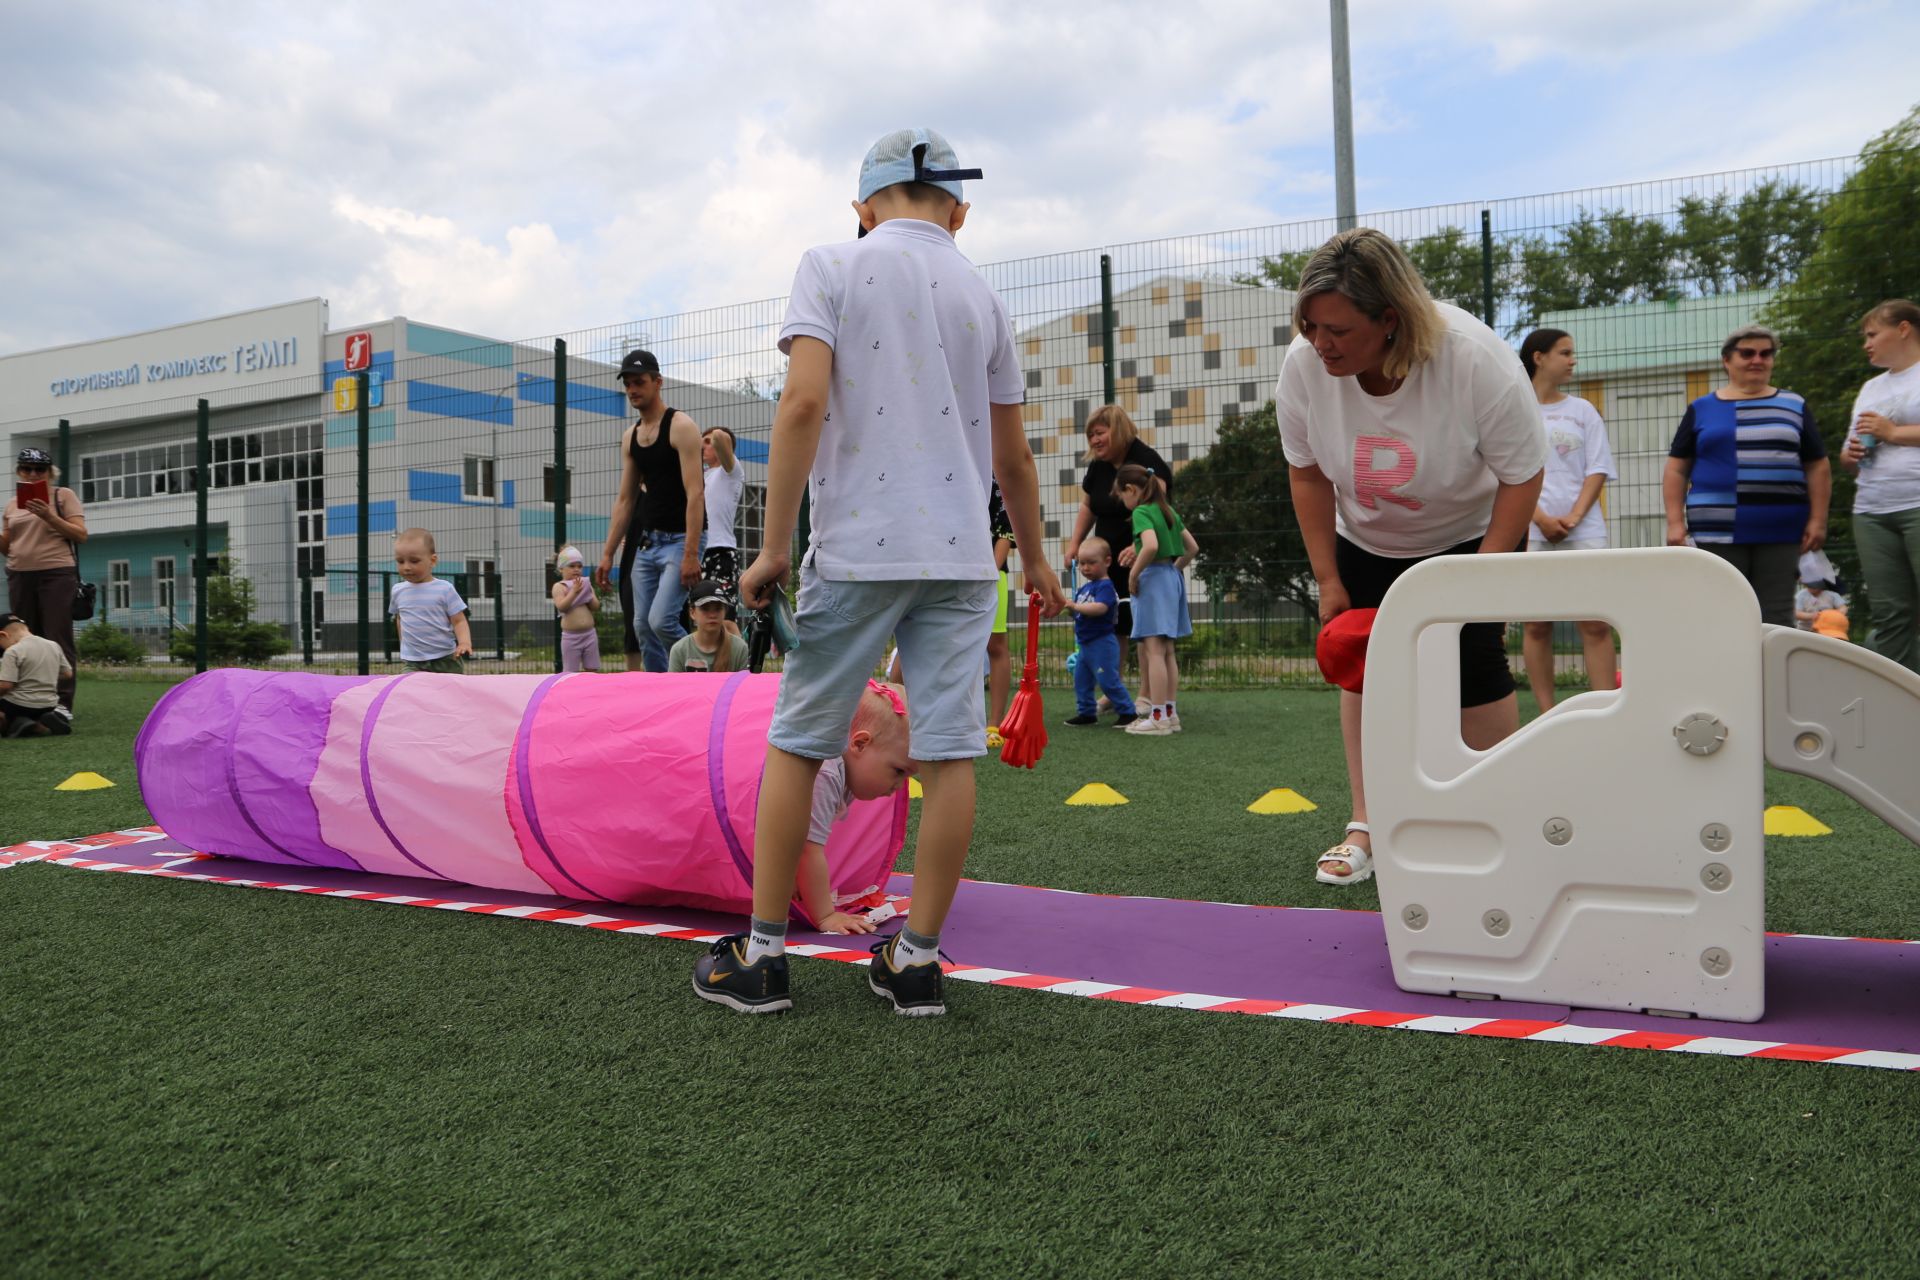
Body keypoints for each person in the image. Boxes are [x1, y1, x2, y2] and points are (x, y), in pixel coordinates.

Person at [693, 125, 1065, 1017]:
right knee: (947, 751)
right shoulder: (985, 298)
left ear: (863, 208)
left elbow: (804, 404)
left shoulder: (831, 264)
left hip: (859, 546)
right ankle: (918, 961)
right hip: (961, 557)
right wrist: (1039, 557)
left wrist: (774, 545)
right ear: (960, 212)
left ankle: (764, 956)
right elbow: (1013, 460)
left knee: (800, 740)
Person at [1277, 227, 1545, 886]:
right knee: (1362, 669)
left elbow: (1523, 474)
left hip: (1468, 533)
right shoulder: (1305, 367)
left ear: (1389, 320)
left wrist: (1481, 576)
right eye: (1309, 325)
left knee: (1474, 662)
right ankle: (1366, 824)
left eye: (1336, 329)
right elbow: (1306, 471)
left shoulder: (1473, 358)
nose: (1319, 342)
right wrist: (1328, 577)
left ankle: (1492, 822)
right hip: (1367, 537)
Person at [1663, 324, 1829, 628]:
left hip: (1781, 528)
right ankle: (1721, 676)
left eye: (1766, 354)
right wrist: (1675, 522)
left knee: (1777, 615)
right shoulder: (1701, 408)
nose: (1758, 360)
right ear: (1727, 360)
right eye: (1748, 353)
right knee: (1719, 613)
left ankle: (1774, 677)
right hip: (1715, 531)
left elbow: (1817, 465)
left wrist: (1818, 520)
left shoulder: (1793, 405)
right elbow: (1676, 467)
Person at [1516, 328, 1618, 709]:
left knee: (1594, 622)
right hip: (1531, 530)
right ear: (1539, 357)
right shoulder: (1515, 408)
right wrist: (1539, 518)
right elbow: (1504, 471)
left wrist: (1574, 517)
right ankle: (1546, 713)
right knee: (1537, 623)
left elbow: (1598, 468)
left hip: (1585, 530)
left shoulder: (1583, 410)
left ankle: (1605, 709)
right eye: (1565, 353)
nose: (1573, 360)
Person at [595, 350, 706, 672]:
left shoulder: (681, 426)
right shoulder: (631, 437)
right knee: (642, 625)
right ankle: (663, 687)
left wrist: (690, 553)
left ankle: (698, 675)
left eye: (639, 382)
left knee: (661, 621)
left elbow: (695, 492)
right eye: (628, 384)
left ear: (658, 382)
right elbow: (626, 500)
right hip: (648, 543)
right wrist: (607, 554)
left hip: (681, 541)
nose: (632, 389)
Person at [1062, 405, 1173, 702]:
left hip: (1144, 560)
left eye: (1100, 433)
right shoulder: (1099, 467)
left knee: (1144, 629)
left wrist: (1139, 548)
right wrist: (1075, 543)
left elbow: (1159, 510)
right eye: (1090, 436)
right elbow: (1088, 505)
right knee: (1116, 626)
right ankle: (1115, 690)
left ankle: (1148, 696)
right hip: (1110, 561)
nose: (1094, 441)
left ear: (1119, 430)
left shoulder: (1146, 462)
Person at [793, 681, 916, 938]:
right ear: (859, 744)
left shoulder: (848, 773)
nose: (899, 785)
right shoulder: (825, 772)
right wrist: (825, 914)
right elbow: (806, 847)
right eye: (897, 771)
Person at [1840, 299, 1920, 673]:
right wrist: (1853, 454)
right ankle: (1900, 704)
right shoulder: (1871, 388)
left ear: (1903, 329)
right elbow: (1846, 460)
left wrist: (1893, 432)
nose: (1866, 344)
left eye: (1873, 334)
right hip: (1872, 510)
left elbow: (1890, 433)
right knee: (1890, 613)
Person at [1, 447, 85, 717]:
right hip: (19, 573)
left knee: (56, 636)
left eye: (40, 469)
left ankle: (61, 704)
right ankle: (25, 702)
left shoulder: (63, 495)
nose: (33, 473)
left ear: (50, 472)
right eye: (27, 468)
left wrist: (48, 515)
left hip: (56, 573)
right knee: (22, 639)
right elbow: (9, 546)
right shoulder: (13, 504)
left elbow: (80, 535)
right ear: (19, 471)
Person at [1116, 464, 1197, 736]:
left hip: (1152, 580)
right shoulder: (1167, 510)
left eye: (1122, 495)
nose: (1124, 502)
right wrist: (1174, 569)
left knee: (1153, 651)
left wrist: (1133, 575)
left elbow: (1149, 545)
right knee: (1167, 650)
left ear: (1131, 490)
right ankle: (1170, 714)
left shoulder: (1142, 511)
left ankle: (1158, 717)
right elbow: (1192, 547)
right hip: (1171, 579)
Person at [1062, 537, 1138, 727]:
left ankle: (1128, 712)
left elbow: (1101, 608)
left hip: (1102, 643)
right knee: (1081, 680)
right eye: (1081, 563)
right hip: (1086, 645)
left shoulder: (1105, 586)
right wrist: (1071, 610)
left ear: (1107, 562)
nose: (1085, 567)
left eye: (1091, 563)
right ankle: (1087, 713)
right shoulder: (1085, 588)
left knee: (1108, 680)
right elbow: (1082, 613)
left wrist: (1077, 607)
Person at [389, 529, 472, 674]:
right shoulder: (398, 591)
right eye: (400, 561)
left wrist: (464, 642)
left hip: (446, 659)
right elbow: (400, 619)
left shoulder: (444, 589)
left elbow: (459, 620)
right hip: (413, 662)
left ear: (432, 561)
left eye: (414, 561)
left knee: (451, 694)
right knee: (411, 693)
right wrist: (404, 646)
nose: (406, 567)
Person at [700, 425, 746, 638]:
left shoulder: (731, 471)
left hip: (721, 551)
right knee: (703, 618)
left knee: (726, 619)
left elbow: (720, 437)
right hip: (698, 550)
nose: (703, 444)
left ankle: (742, 669)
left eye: (708, 442)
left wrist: (712, 437)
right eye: (702, 440)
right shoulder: (701, 477)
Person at [0, 612, 73, 738]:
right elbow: (67, 674)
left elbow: (6, 686)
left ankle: (21, 725)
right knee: (34, 711)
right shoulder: (53, 645)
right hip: (48, 705)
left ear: (3, 635)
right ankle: (43, 722)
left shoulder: (13, 651)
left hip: (17, 705)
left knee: (5, 712)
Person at [984, 482, 1015, 748]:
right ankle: (901, 714)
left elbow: (1005, 528)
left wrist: (990, 572)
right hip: (947, 569)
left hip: (991, 574)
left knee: (996, 645)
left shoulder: (997, 475)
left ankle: (994, 724)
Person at [668, 580, 751, 672]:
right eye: (705, 609)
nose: (712, 615)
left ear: (725, 611)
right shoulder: (679, 650)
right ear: (692, 612)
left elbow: (744, 685)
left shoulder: (740, 649)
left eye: (718, 609)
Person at [551, 545, 600, 673]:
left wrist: (589, 594)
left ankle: (591, 690)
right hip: (571, 637)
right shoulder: (559, 587)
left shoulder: (584, 584)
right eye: (572, 566)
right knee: (570, 671)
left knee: (592, 668)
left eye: (579, 566)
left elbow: (595, 606)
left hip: (589, 634)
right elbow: (562, 606)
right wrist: (573, 592)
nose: (576, 569)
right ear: (561, 568)